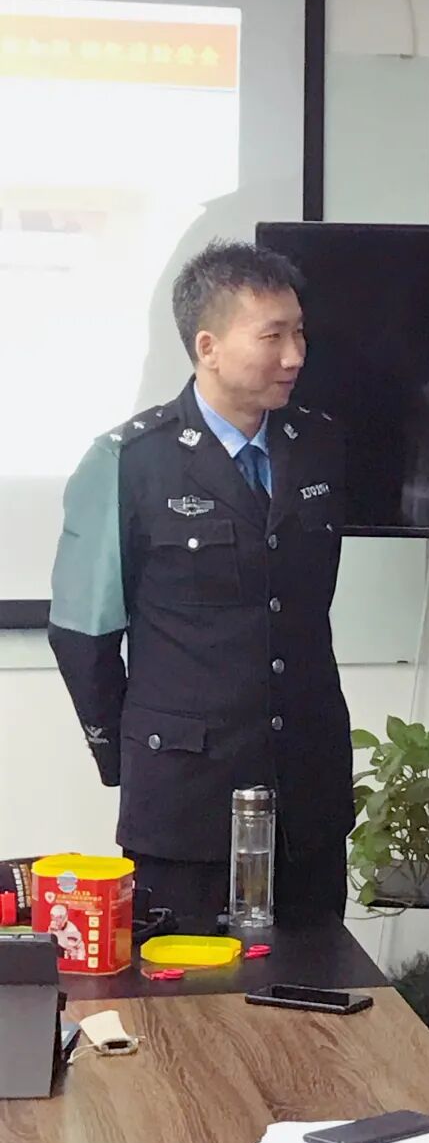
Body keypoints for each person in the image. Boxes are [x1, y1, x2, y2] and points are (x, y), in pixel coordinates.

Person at [48, 240, 353, 927]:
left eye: (299, 333)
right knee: (185, 988)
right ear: (207, 346)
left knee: (314, 981)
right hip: (185, 797)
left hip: (306, 790)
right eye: (272, 336)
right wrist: (135, 753)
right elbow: (83, 636)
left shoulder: (320, 445)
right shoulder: (128, 461)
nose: (295, 356)